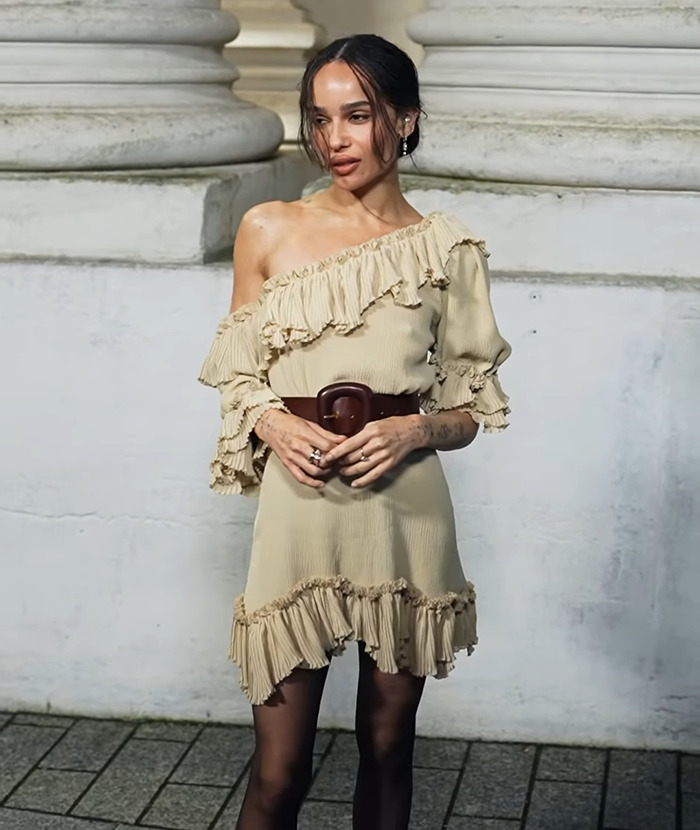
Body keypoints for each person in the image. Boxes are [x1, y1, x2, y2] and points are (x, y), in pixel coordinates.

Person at [199, 33, 511, 830]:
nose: (334, 138)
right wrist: (273, 421)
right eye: (319, 118)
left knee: (388, 746)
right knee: (280, 769)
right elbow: (236, 372)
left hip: (405, 507)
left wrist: (415, 432)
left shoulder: (448, 250)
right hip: (300, 501)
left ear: (404, 120)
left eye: (358, 115)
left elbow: (471, 409)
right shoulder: (268, 228)